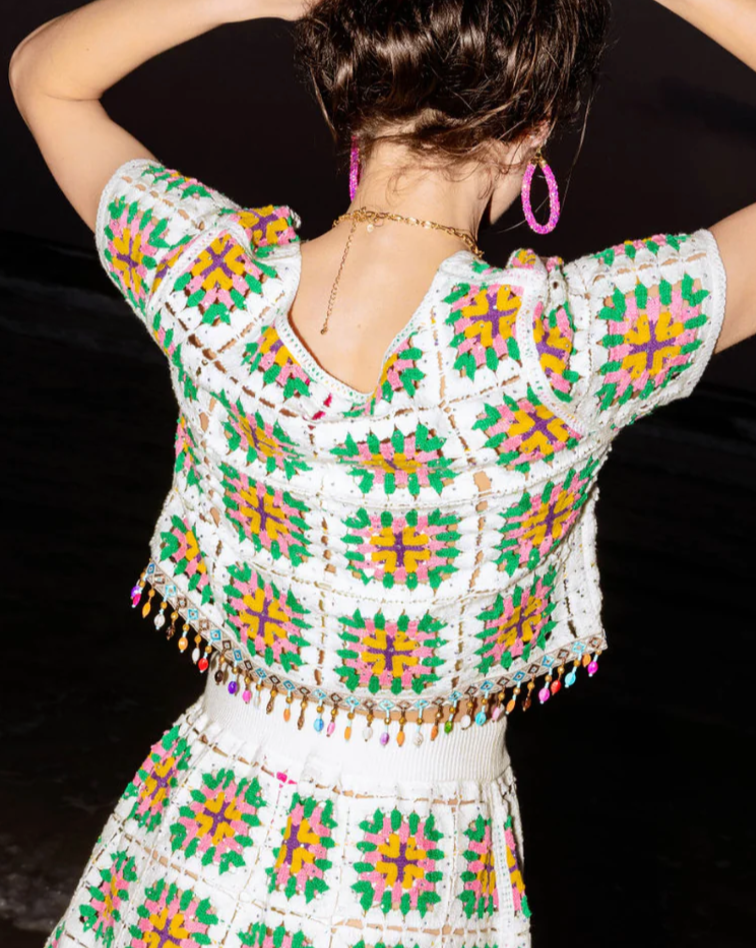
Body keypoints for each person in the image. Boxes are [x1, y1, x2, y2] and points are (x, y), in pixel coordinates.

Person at [9, 0, 755, 946]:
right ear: (535, 126)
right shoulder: (568, 348)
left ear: (350, 98)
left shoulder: (209, 280)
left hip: (196, 844)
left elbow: (43, 73)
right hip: (415, 875)